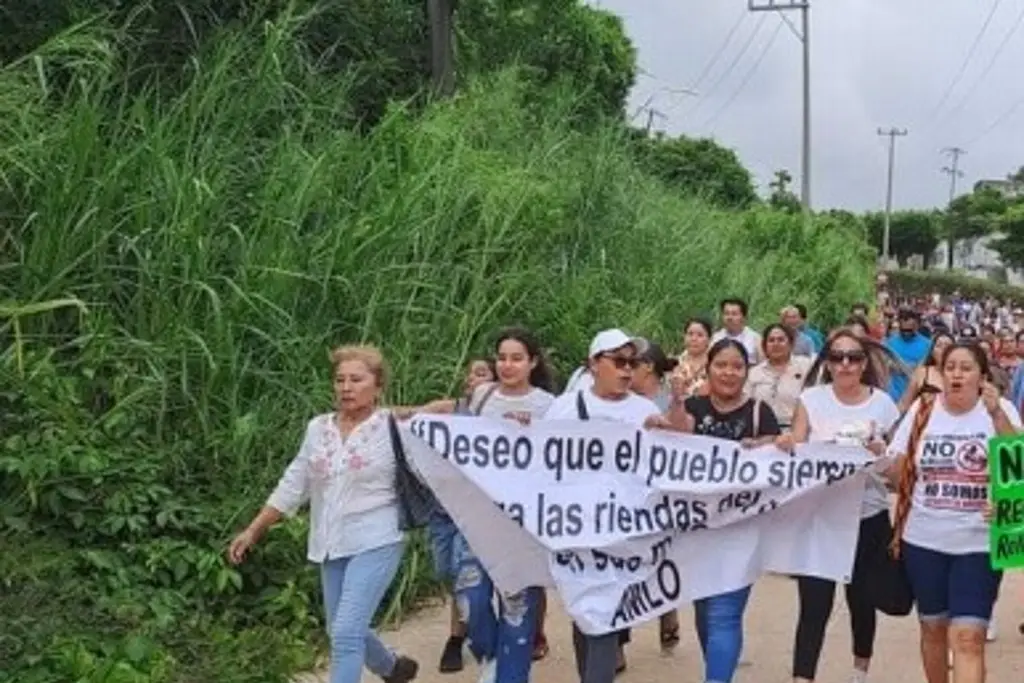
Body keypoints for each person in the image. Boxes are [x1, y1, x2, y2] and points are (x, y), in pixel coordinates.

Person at [227, 345, 419, 683]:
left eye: (356, 379)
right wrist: (254, 529)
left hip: (378, 537)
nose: (346, 387)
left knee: (345, 632)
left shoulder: (394, 426)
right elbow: (294, 482)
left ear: (378, 385)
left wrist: (504, 412)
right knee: (339, 627)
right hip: (331, 541)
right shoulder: (318, 428)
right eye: (340, 380)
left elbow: (449, 418)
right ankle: (391, 667)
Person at [543, 329, 670, 683]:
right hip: (576, 527)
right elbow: (539, 460)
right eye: (618, 361)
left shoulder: (644, 410)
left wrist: (665, 433)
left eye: (633, 362)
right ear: (593, 365)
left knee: (604, 611)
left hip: (624, 532)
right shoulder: (565, 408)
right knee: (585, 611)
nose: (627, 370)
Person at [890, 342, 1021, 683]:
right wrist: (874, 457)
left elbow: (1018, 471)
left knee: (968, 637)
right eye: (951, 367)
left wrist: (996, 415)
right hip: (923, 540)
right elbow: (897, 470)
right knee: (933, 630)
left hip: (977, 544)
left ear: (983, 376)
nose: (957, 374)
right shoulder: (924, 408)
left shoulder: (1000, 409)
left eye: (966, 368)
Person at [776, 330, 901, 683]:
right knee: (814, 603)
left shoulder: (883, 405)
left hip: (868, 516)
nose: (846, 364)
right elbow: (798, 447)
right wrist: (787, 444)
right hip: (819, 519)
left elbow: (897, 471)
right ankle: (803, 677)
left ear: (865, 363)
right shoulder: (812, 400)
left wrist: (881, 455)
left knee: (862, 601)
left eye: (854, 357)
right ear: (827, 363)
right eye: (838, 357)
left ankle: (859, 672)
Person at [685, 338, 781, 683]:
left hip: (742, 531)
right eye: (721, 365)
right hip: (695, 531)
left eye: (737, 366)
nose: (729, 372)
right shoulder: (691, 409)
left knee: (724, 614)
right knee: (704, 612)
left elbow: (782, 466)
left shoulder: (759, 413)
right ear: (707, 368)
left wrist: (774, 444)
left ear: (747, 371)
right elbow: (668, 443)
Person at [432, 359, 495, 673]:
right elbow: (411, 415)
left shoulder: (499, 414)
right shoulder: (451, 409)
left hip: (478, 511)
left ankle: (458, 638)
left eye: (483, 372)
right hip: (444, 510)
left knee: (463, 573)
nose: (474, 377)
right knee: (446, 571)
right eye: (471, 372)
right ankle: (472, 626)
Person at [629, 340, 683, 652]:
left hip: (663, 492)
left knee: (662, 556)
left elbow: (686, 439)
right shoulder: (618, 399)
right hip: (627, 493)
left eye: (630, 363)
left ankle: (667, 610)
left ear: (647, 366)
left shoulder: (667, 398)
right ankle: (618, 641)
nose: (625, 370)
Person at [745, 323, 812, 430]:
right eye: (771, 340)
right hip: (761, 433)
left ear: (790, 344)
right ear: (764, 346)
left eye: (781, 340)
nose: (776, 344)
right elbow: (746, 405)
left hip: (797, 431)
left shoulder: (806, 367)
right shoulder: (753, 373)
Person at [897, 332, 954, 414]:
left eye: (947, 346)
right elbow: (903, 404)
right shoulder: (922, 373)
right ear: (932, 352)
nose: (943, 349)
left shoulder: (961, 375)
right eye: (939, 345)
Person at [885, 307, 931, 403]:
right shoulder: (890, 343)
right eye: (903, 330)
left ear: (917, 325)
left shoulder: (927, 345)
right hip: (894, 398)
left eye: (910, 330)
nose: (906, 333)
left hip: (917, 398)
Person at [672, 317, 712, 399]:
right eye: (690, 334)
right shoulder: (675, 363)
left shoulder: (715, 363)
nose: (694, 339)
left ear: (709, 339)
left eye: (700, 335)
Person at [712, 298, 762, 363]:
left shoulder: (755, 338)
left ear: (744, 317)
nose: (729, 317)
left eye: (734, 314)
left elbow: (762, 364)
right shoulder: (715, 338)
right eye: (726, 313)